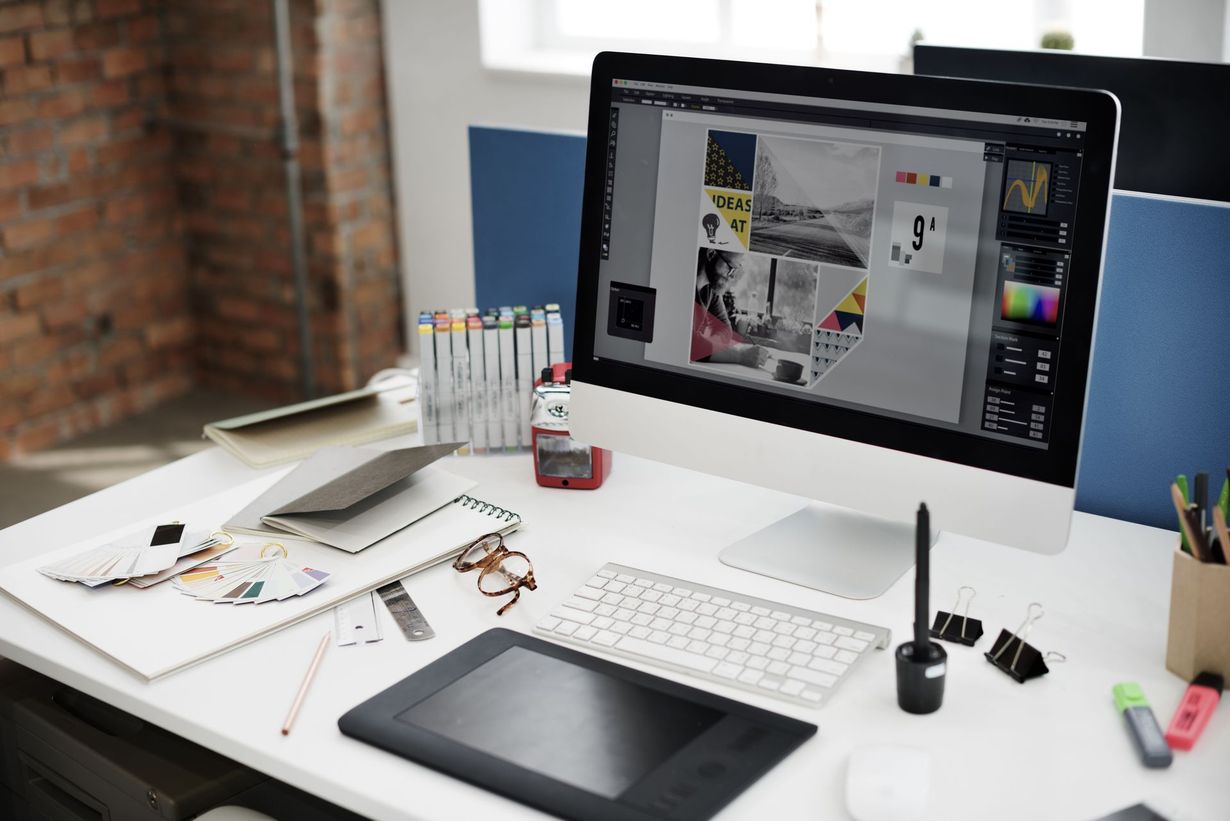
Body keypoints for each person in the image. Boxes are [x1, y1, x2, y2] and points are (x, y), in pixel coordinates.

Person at [693, 249, 769, 368]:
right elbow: (686, 344)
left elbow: (725, 330)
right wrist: (740, 355)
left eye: (736, 270)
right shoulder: (682, 285)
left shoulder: (711, 291)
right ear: (711, 254)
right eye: (730, 267)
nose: (732, 276)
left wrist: (704, 345)